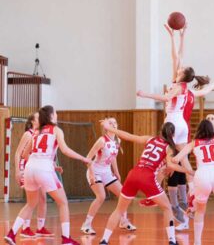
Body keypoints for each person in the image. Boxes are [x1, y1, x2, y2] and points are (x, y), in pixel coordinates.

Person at [136, 23, 214, 224]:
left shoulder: (179, 87)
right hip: (182, 125)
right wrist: (177, 36)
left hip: (173, 123)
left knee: (165, 159)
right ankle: (191, 190)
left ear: (182, 76)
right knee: (181, 159)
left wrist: (144, 94)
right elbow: (177, 57)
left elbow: (166, 99)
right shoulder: (188, 89)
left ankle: (154, 194)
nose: (178, 67)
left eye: (180, 69)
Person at [4, 105, 91, 245]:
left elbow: (25, 154)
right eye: (55, 113)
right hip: (44, 169)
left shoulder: (36, 132)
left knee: (31, 204)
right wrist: (83, 158)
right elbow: (65, 150)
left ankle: (12, 233)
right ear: (51, 116)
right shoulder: (56, 130)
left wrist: (42, 162)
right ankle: (66, 239)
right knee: (63, 202)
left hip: (30, 168)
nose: (57, 115)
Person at [98, 121, 193, 245]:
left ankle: (104, 240)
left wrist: (110, 128)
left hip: (133, 174)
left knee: (119, 210)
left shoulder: (150, 139)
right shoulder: (169, 147)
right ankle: (172, 241)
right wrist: (188, 171)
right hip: (147, 177)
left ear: (160, 131)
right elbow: (170, 165)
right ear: (173, 135)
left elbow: (128, 136)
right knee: (167, 208)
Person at [81, 117, 136, 235]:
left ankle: (123, 221)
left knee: (123, 194)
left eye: (115, 122)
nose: (113, 124)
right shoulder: (102, 140)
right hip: (95, 171)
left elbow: (113, 157)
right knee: (101, 196)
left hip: (106, 172)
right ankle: (86, 224)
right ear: (106, 127)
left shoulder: (117, 141)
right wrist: (91, 173)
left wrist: (117, 172)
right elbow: (87, 159)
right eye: (110, 123)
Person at [14, 112, 54, 238]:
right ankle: (25, 228)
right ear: (32, 121)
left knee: (42, 198)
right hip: (26, 167)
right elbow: (18, 153)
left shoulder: (41, 134)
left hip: (37, 167)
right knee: (32, 200)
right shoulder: (28, 134)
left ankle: (40, 227)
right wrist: (17, 170)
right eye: (38, 117)